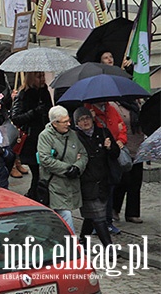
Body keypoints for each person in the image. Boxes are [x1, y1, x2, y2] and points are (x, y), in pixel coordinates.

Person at [37, 106, 88, 233]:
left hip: (71, 184)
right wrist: (67, 168)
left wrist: (77, 167)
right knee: (65, 215)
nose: (68, 124)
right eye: (65, 122)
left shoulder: (72, 134)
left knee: (58, 219)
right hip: (54, 185)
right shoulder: (45, 136)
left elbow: (84, 154)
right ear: (54, 123)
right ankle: (71, 247)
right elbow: (45, 159)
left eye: (68, 120)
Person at [74, 106, 118, 247]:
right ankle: (109, 247)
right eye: (81, 120)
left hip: (104, 181)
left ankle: (83, 241)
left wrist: (110, 147)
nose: (85, 122)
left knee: (91, 215)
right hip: (86, 183)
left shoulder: (103, 132)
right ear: (76, 123)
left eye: (87, 118)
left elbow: (115, 154)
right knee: (99, 217)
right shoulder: (75, 138)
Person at [10, 71, 52, 196]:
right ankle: (33, 195)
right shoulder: (24, 94)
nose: (43, 79)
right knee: (36, 171)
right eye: (39, 77)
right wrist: (34, 112)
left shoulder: (44, 91)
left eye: (43, 76)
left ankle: (36, 194)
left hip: (45, 135)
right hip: (31, 138)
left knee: (43, 171)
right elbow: (16, 117)